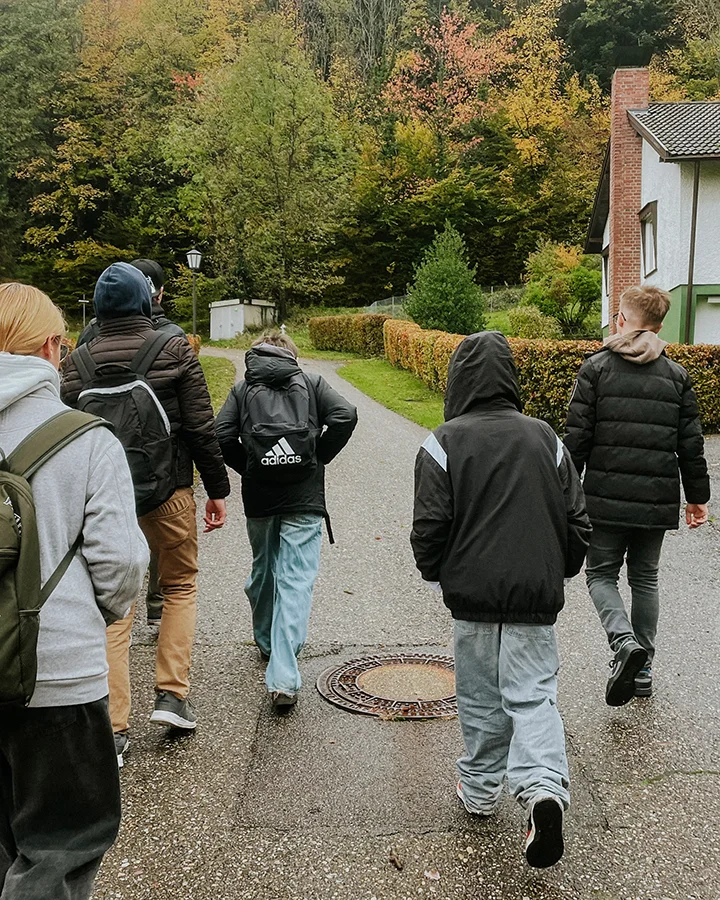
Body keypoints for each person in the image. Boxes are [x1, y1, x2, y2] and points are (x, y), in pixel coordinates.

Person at [411, 331, 590, 868]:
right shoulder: (546, 438)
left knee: (480, 697)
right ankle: (543, 790)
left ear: (457, 381)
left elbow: (430, 526)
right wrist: (558, 570)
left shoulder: (442, 442)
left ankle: (480, 791)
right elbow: (577, 521)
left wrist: (437, 575)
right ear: (510, 379)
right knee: (533, 697)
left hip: (472, 596)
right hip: (535, 595)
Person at [0, 282, 148, 898]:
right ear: (51, 348)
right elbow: (120, 565)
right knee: (59, 848)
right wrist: (97, 616)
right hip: (58, 676)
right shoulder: (87, 440)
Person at [62, 263, 230, 766]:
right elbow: (200, 427)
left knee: (114, 607)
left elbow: (66, 437)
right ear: (147, 300)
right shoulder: (173, 348)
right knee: (179, 587)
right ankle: (172, 696)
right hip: (168, 492)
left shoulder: (76, 361)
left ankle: (113, 730)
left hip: (104, 502)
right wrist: (217, 490)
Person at [564, 285, 710, 705]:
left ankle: (623, 642)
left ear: (621, 320)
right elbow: (691, 445)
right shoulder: (677, 376)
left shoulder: (596, 368)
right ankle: (643, 670)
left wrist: (563, 492)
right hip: (656, 498)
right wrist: (697, 497)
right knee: (645, 578)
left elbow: (577, 439)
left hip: (604, 499)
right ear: (659, 327)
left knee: (600, 575)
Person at [215, 332, 357, 709]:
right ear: (292, 357)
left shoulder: (242, 390)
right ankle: (282, 677)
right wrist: (318, 457)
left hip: (260, 498)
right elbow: (346, 415)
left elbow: (221, 434)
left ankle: (266, 641)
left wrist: (249, 467)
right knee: (295, 580)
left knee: (263, 569)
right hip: (304, 497)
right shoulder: (312, 383)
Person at [78, 260, 183, 629]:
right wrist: (216, 488)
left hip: (100, 478)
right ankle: (158, 611)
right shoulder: (172, 340)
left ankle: (113, 665)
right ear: (153, 295)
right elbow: (197, 421)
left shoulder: (83, 348)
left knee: (112, 582)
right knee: (179, 577)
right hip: (161, 475)